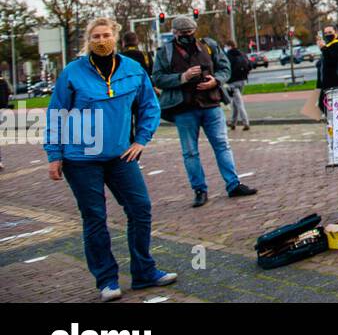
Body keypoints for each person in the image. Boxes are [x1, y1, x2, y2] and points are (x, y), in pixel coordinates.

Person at [45, 17, 177, 301]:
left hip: (120, 156)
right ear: (87, 41)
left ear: (115, 37)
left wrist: (141, 139)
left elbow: (149, 106)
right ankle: (107, 281)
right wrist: (54, 155)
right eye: (95, 36)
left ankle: (144, 272)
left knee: (140, 208)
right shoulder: (72, 73)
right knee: (95, 218)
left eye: (106, 35)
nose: (101, 40)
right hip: (81, 159)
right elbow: (55, 114)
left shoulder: (133, 69)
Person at [151, 16, 258, 208]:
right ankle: (199, 190)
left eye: (189, 33)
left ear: (195, 31)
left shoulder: (209, 45)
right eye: (182, 33)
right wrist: (182, 77)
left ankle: (233, 184)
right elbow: (157, 78)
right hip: (184, 108)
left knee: (222, 145)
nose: (186, 36)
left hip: (211, 104)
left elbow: (225, 67)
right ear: (175, 33)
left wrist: (216, 80)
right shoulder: (164, 52)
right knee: (190, 152)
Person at [315, 23, 338, 117]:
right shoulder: (328, 45)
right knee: (322, 104)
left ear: (336, 33)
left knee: (331, 105)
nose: (328, 35)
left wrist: (323, 48)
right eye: (326, 33)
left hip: (335, 82)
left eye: (330, 32)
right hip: (326, 83)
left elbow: (334, 60)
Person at [225, 41, 252, 130]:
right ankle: (233, 122)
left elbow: (226, 68)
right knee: (235, 103)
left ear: (229, 46)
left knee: (239, 103)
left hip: (233, 82)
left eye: (226, 46)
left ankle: (246, 122)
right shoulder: (242, 53)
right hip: (243, 80)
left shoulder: (228, 56)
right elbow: (249, 65)